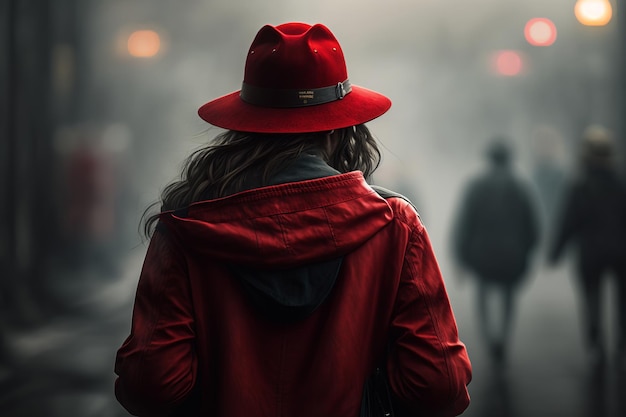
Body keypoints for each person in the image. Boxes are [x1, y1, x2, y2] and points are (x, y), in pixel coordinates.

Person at [114, 22, 472, 417]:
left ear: (247, 121)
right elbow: (439, 385)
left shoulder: (187, 229)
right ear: (342, 126)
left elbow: (152, 384)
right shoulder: (395, 227)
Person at [452, 138, 540, 364]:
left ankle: (489, 337)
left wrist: (460, 256)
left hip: (482, 254)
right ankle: (504, 336)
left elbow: (464, 222)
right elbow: (532, 223)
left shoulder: (475, 186)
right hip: (513, 253)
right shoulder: (521, 186)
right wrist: (529, 249)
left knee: (482, 292)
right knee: (508, 294)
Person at [548, 125, 626, 369]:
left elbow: (568, 222)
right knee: (622, 302)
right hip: (621, 252)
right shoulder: (620, 184)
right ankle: (622, 347)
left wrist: (555, 252)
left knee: (592, 300)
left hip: (591, 253)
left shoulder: (579, 186)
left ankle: (596, 347)